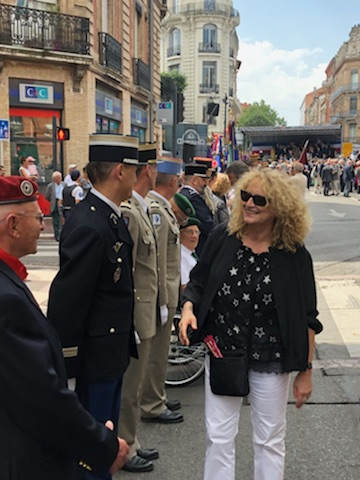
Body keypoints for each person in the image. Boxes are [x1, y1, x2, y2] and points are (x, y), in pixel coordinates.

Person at [179, 168, 323, 480]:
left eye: (260, 199)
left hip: (271, 357)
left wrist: (306, 372)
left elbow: (308, 317)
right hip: (223, 351)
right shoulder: (222, 238)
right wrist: (189, 307)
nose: (250, 204)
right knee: (218, 437)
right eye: (246, 196)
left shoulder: (294, 255)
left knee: (269, 439)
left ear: (279, 208)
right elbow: (199, 281)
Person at [0, 176, 129, 480]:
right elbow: (41, 399)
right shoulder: (7, 300)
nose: (43, 226)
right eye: (38, 217)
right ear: (13, 225)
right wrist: (102, 447)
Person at [47, 134, 140, 480]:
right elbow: (68, 302)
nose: (138, 174)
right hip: (92, 361)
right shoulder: (90, 223)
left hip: (108, 354)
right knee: (92, 454)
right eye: (133, 168)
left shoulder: (108, 217)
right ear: (119, 171)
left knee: (106, 445)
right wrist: (67, 367)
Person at [118, 144, 161, 473]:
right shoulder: (130, 211)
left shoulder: (141, 208)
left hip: (147, 311)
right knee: (130, 387)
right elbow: (129, 273)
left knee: (135, 384)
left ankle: (132, 440)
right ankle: (125, 445)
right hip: (137, 313)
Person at [179, 164, 215, 256]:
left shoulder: (182, 194)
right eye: (203, 180)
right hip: (198, 248)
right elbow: (208, 225)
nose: (206, 184)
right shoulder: (194, 199)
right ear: (194, 180)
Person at [180, 216, 201, 290]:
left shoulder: (192, 253)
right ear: (180, 234)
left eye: (197, 232)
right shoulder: (180, 256)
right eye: (189, 232)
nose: (194, 236)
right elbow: (184, 286)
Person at [45, 170, 64, 241]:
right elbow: (47, 196)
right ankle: (57, 235)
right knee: (55, 220)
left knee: (61, 219)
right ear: (54, 178)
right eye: (58, 177)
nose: (60, 179)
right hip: (54, 202)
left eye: (60, 177)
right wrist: (52, 201)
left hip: (62, 201)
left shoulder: (64, 184)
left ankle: (61, 234)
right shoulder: (50, 186)